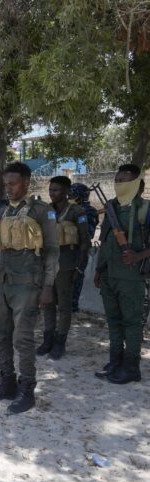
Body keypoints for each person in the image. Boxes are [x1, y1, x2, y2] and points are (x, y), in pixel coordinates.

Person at [0, 162, 58, 414]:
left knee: (22, 338)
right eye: (6, 184)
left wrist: (48, 286)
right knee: (0, 332)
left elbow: (52, 250)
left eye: (13, 183)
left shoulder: (41, 211)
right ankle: (7, 382)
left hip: (28, 281)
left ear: (26, 183)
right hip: (3, 278)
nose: (9, 188)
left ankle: (27, 390)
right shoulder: (3, 211)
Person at [94, 164, 150, 384]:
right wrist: (99, 270)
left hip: (131, 276)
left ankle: (131, 367)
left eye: (124, 181)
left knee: (132, 323)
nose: (119, 185)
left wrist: (138, 256)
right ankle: (115, 361)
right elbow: (105, 240)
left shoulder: (145, 209)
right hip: (109, 274)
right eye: (117, 180)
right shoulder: (111, 208)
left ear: (137, 184)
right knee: (113, 321)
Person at [37, 176, 90, 360]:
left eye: (56, 190)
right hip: (47, 264)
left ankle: (60, 343)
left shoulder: (77, 212)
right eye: (50, 190)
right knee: (48, 302)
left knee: (64, 306)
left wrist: (80, 268)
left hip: (67, 264)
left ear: (66, 192)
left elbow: (85, 241)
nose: (52, 193)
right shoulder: (46, 210)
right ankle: (48, 339)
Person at [68, 183, 99, 311]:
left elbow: (88, 234)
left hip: (78, 252)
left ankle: (72, 308)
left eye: (72, 194)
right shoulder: (68, 209)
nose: (69, 196)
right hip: (65, 252)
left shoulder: (89, 211)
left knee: (75, 282)